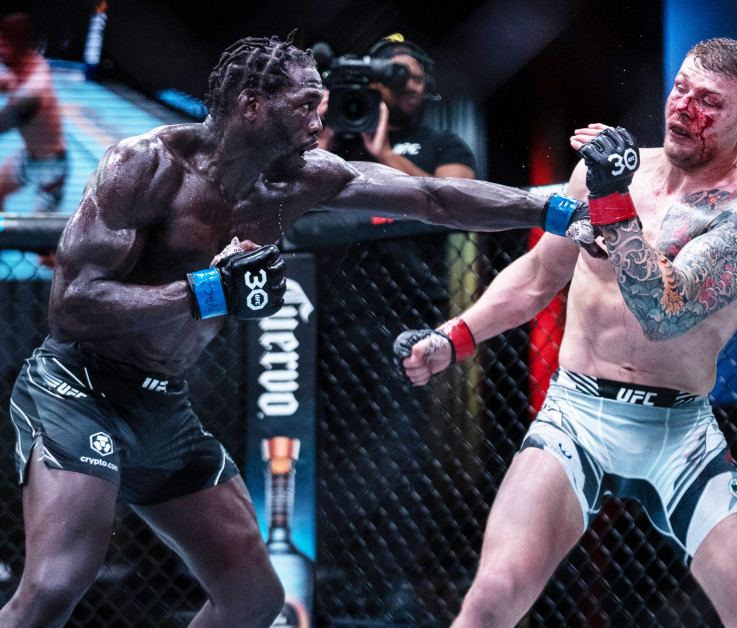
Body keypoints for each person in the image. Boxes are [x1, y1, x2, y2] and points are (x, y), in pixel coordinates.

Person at [0, 33, 598, 627]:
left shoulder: (304, 179)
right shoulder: (145, 165)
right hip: (79, 389)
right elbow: (73, 307)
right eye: (306, 104)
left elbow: (433, 197)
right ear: (251, 104)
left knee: (254, 600)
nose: (319, 120)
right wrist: (208, 291)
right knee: (55, 584)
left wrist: (553, 210)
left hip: (162, 405)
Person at [395, 37, 737, 627]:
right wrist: (453, 338)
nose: (685, 107)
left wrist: (609, 200)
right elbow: (538, 276)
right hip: (576, 413)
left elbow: (664, 311)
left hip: (678, 431)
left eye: (709, 101)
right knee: (492, 594)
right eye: (681, 88)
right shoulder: (606, 172)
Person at [317, 33, 476, 179]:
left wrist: (386, 154)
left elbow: (456, 197)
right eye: (398, 79)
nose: (411, 87)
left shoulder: (445, 144)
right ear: (373, 84)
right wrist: (319, 143)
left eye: (418, 79)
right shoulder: (331, 137)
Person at [0, 12, 67, 214]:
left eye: (3, 45)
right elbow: (10, 81)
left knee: (40, 230)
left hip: (52, 166)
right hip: (30, 156)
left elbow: (4, 122)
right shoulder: (31, 63)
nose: (0, 51)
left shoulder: (33, 91)